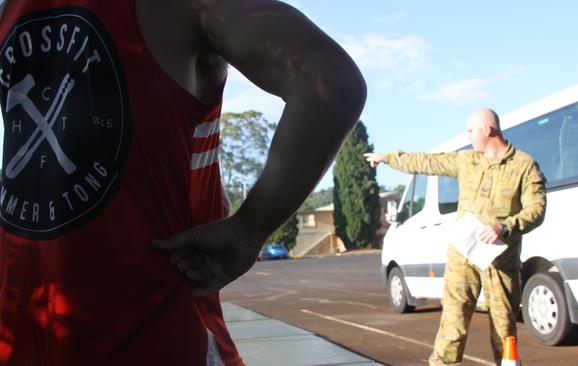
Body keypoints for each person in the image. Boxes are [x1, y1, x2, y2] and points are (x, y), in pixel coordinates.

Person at [0, 0, 366, 365]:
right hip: (152, 338)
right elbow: (328, 80)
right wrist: (247, 230)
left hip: (29, 334)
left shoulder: (11, 11)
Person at [364, 108, 546, 366]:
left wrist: (505, 227)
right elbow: (426, 162)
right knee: (453, 324)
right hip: (463, 256)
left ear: (487, 130)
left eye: (471, 130)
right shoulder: (467, 161)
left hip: (501, 263)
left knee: (504, 330)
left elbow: (536, 209)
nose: (468, 135)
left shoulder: (524, 166)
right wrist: (388, 158)